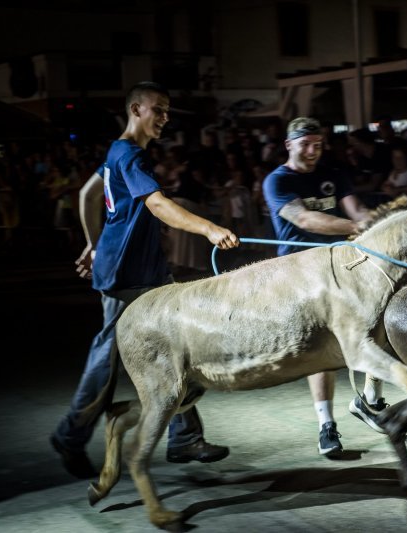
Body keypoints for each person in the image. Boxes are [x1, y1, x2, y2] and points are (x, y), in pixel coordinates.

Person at [51, 81, 239, 479]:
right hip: (127, 275)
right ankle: (70, 435)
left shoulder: (117, 152)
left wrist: (94, 244)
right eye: (160, 110)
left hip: (141, 269)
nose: (165, 118)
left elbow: (87, 193)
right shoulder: (130, 154)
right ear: (136, 109)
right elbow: (156, 204)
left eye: (168, 111)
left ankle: (184, 438)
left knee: (173, 351)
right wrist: (207, 228)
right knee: (109, 361)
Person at [262, 116, 386, 458]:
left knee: (382, 312)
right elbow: (304, 219)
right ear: (289, 145)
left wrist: (378, 223)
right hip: (301, 270)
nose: (313, 150)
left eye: (318, 144)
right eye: (306, 144)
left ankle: (369, 397)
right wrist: (356, 228)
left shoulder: (333, 174)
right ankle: (326, 426)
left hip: (341, 262)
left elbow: (357, 209)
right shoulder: (277, 181)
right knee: (325, 349)